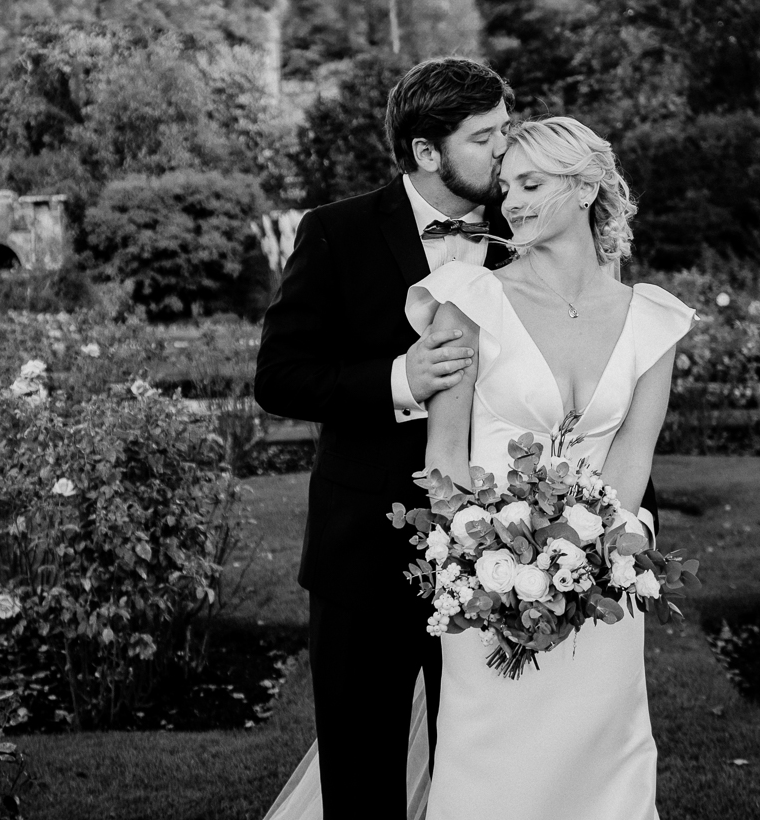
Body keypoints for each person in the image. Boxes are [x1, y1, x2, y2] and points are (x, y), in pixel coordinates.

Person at [254, 59, 665, 820]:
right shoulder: (337, 232)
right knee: (364, 775)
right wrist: (401, 379)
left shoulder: (528, 234)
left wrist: (602, 530)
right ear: (426, 153)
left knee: (486, 768)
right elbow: (278, 376)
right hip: (367, 556)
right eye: (486, 138)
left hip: (517, 558)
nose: (506, 152)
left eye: (508, 130)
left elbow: (592, 375)